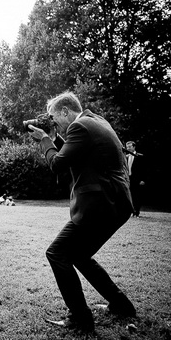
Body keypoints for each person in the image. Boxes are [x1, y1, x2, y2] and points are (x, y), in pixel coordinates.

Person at [28, 91, 135, 333]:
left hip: (100, 206)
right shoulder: (94, 121)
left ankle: (81, 319)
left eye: (54, 118)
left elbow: (57, 165)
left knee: (56, 253)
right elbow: (71, 156)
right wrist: (53, 139)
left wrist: (45, 139)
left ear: (66, 111)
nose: (54, 123)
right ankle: (121, 305)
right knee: (79, 255)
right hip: (115, 204)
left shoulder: (79, 127)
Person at [125, 141, 145, 217]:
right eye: (127, 147)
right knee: (129, 195)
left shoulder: (140, 156)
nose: (128, 148)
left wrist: (142, 179)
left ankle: (136, 212)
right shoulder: (126, 157)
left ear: (134, 147)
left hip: (136, 179)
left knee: (137, 196)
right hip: (128, 179)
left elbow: (144, 169)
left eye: (130, 147)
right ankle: (130, 211)